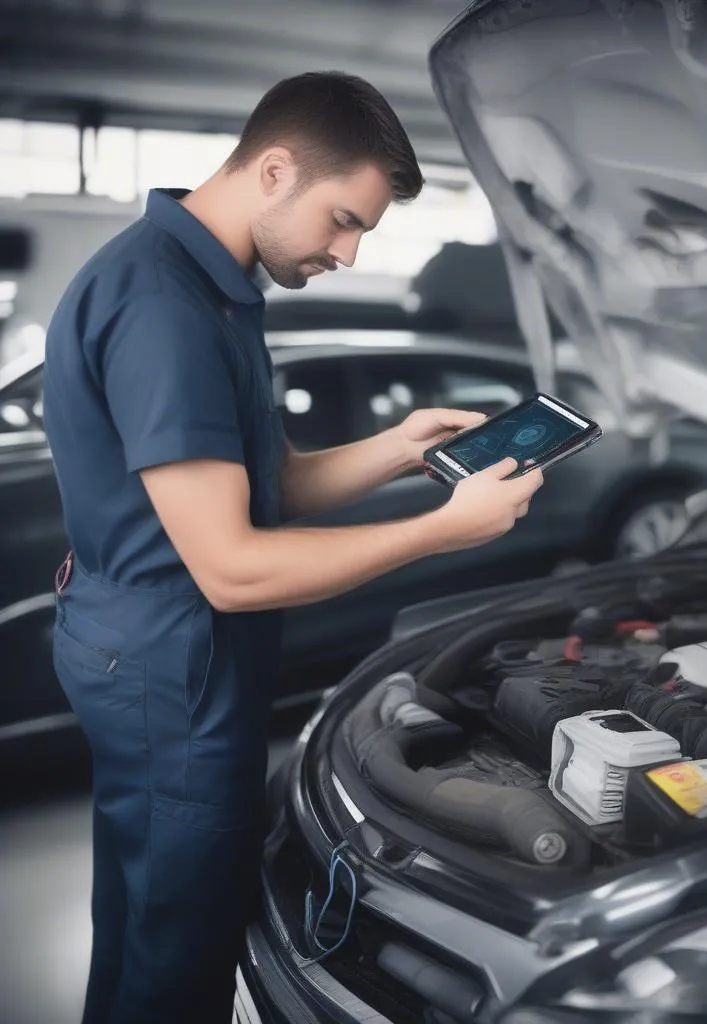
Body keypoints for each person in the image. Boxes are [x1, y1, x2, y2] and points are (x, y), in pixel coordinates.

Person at [42, 71, 544, 1024]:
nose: (348, 254)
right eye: (343, 220)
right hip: (172, 667)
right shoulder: (166, 308)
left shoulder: (206, 283)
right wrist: (445, 530)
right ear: (275, 170)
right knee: (175, 958)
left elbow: (275, 484)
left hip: (150, 642)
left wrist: (402, 452)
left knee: (148, 918)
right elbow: (232, 569)